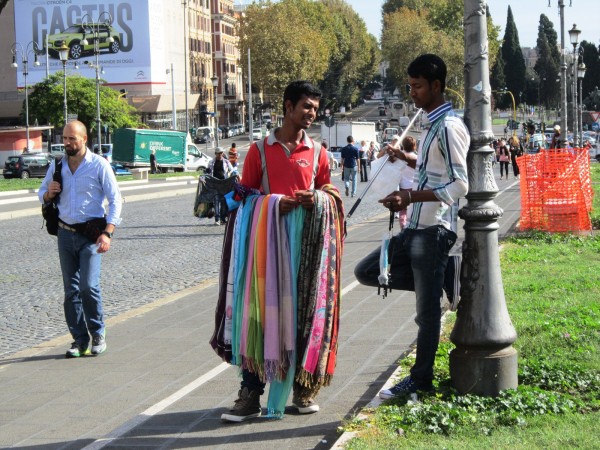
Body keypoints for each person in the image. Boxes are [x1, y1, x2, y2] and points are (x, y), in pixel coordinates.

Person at [216, 80, 338, 422]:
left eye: (315, 108)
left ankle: (302, 386)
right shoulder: (259, 151)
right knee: (259, 316)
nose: (312, 113)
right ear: (287, 107)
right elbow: (244, 198)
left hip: (307, 252)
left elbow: (330, 192)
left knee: (305, 314)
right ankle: (250, 392)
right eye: (306, 107)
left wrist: (317, 198)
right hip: (265, 252)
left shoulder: (318, 153)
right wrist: (272, 204)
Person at [354, 54, 469, 398]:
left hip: (433, 229)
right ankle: (447, 274)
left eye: (417, 86)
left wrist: (410, 197)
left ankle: (421, 380)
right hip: (415, 228)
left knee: (426, 312)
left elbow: (460, 184)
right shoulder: (432, 125)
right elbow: (434, 166)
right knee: (368, 270)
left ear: (436, 86)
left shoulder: (449, 126)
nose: (412, 93)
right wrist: (406, 159)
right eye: (410, 86)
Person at [38, 120, 122, 358]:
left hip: (91, 235)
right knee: (70, 291)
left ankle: (98, 332)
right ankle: (79, 339)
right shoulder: (57, 165)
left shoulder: (99, 165)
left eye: (71, 138)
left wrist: (108, 232)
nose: (66, 142)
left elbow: (116, 200)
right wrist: (48, 193)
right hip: (64, 234)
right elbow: (41, 193)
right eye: (64, 138)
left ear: (84, 139)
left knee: (88, 286)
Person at [206, 147, 235, 225]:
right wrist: (207, 172)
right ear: (215, 154)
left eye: (221, 153)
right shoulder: (211, 162)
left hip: (224, 184)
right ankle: (217, 219)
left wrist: (232, 173)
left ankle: (222, 218)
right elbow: (208, 172)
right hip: (215, 184)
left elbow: (232, 170)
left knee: (223, 202)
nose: (220, 154)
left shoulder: (226, 162)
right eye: (218, 153)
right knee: (216, 201)